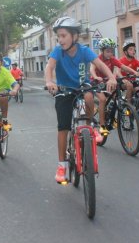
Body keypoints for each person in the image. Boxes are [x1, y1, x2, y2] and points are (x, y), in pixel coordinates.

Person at [45, 17, 117, 184]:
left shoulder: (84, 50)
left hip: (82, 86)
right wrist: (49, 82)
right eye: (59, 36)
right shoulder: (57, 51)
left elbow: (100, 65)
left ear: (75, 36)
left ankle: (92, 126)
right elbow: (49, 67)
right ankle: (61, 165)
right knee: (63, 127)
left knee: (89, 95)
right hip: (64, 90)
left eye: (63, 36)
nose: (60, 40)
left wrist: (112, 77)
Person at [90, 38, 139, 136]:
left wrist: (134, 72)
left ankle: (112, 117)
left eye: (112, 51)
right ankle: (102, 126)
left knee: (116, 97)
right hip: (96, 82)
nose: (110, 53)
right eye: (108, 51)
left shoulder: (112, 59)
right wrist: (96, 76)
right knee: (103, 99)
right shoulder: (97, 59)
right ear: (102, 51)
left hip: (109, 82)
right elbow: (92, 69)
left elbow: (123, 66)